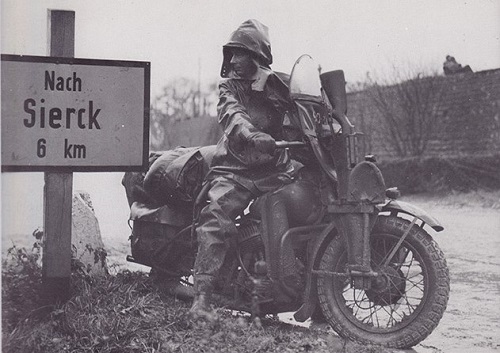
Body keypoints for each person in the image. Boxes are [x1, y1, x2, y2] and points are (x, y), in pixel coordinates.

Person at [188, 19, 301, 319]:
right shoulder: (229, 86)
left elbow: (304, 107)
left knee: (309, 202)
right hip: (235, 169)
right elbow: (232, 115)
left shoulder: (280, 84)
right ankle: (202, 300)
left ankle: (302, 286)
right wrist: (251, 135)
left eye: (241, 53)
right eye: (231, 54)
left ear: (257, 56)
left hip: (274, 169)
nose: (234, 60)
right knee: (216, 216)